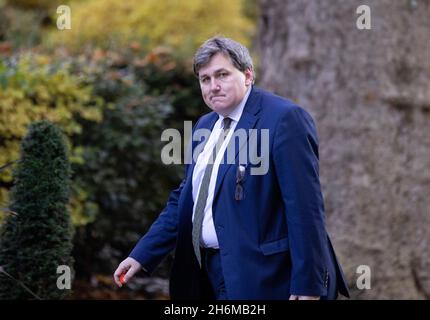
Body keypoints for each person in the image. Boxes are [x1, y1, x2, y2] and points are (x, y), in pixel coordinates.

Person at [113, 36, 350, 300]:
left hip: (266, 277)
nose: (213, 86)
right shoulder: (204, 125)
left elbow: (304, 208)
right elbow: (186, 198)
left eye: (222, 75)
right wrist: (142, 253)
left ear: (248, 75)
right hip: (205, 274)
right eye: (205, 79)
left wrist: (308, 285)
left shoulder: (284, 119)